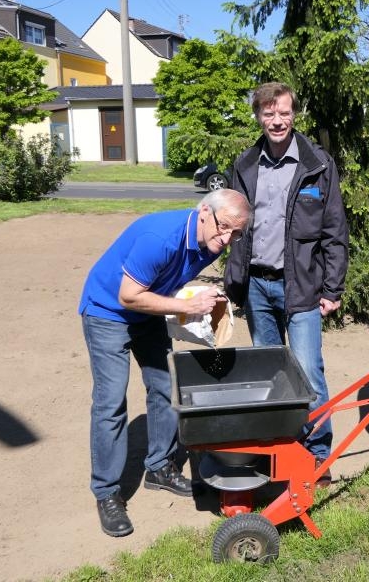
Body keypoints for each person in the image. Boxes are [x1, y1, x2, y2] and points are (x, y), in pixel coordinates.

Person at [79, 189, 251, 537]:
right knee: (111, 402)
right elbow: (128, 296)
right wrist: (186, 307)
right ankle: (107, 493)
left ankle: (159, 467)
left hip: (145, 314)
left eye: (237, 233)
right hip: (106, 312)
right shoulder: (159, 238)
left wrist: (198, 300)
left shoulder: (208, 242)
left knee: (164, 387)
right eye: (224, 227)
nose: (228, 238)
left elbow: (165, 283)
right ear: (204, 212)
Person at [224, 82, 349, 487]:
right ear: (258, 116)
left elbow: (334, 231)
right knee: (269, 374)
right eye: (268, 113)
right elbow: (229, 229)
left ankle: (317, 457)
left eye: (284, 113)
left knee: (309, 372)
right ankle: (278, 450)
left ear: (295, 115)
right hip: (257, 287)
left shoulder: (317, 164)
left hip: (302, 288)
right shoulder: (244, 166)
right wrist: (232, 286)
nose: (276, 121)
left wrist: (332, 289)